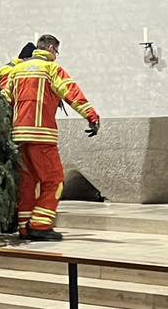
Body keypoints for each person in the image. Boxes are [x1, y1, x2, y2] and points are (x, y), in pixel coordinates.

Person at [6, 34, 100, 242]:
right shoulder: (51, 69)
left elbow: (5, 98)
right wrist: (92, 117)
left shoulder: (17, 71)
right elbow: (72, 93)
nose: (56, 56)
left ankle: (24, 226)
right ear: (49, 48)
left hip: (19, 135)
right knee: (54, 180)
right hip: (42, 134)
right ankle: (40, 225)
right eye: (56, 51)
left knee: (28, 182)